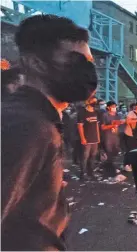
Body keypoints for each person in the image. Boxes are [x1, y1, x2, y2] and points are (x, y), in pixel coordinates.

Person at [1, 15, 97, 250]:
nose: (86, 71)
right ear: (35, 63)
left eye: (89, 61)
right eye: (73, 60)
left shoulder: (39, 118)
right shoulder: (28, 126)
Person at [101, 101, 127, 182]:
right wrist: (112, 125)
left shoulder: (117, 115)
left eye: (115, 106)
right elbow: (102, 127)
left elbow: (118, 125)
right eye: (112, 106)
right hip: (107, 137)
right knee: (109, 153)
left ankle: (108, 168)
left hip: (115, 136)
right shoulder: (105, 115)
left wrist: (120, 123)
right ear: (108, 107)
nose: (114, 108)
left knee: (115, 152)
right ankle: (109, 171)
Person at [77, 97, 100, 180]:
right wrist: (83, 138)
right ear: (88, 102)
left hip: (95, 139)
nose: (94, 102)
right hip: (87, 139)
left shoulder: (96, 112)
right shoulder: (82, 112)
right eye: (93, 101)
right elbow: (80, 126)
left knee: (93, 156)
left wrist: (98, 137)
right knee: (85, 157)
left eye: (95, 101)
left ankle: (91, 173)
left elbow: (96, 125)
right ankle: (82, 174)